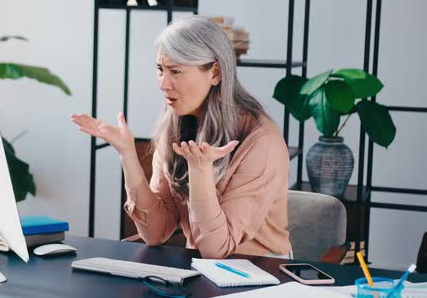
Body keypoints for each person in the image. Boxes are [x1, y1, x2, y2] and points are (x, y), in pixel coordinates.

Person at [71, 16, 292, 259]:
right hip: (200, 272)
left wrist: (200, 171)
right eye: (160, 70)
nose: (164, 84)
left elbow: (216, 249)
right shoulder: (175, 126)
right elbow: (155, 232)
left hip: (263, 275)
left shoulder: (261, 142)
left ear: (215, 73)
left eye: (176, 71)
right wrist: (128, 155)